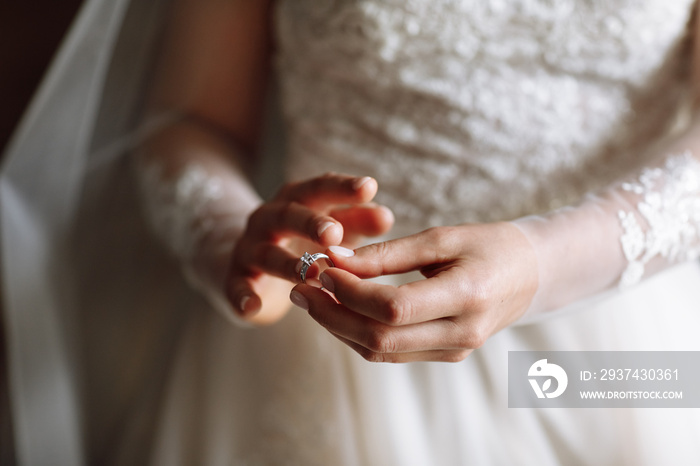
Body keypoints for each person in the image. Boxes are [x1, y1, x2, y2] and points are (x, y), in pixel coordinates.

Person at [4, 0, 700, 464]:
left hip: (616, 350)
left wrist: (543, 262)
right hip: (317, 327)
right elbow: (191, 122)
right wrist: (227, 236)